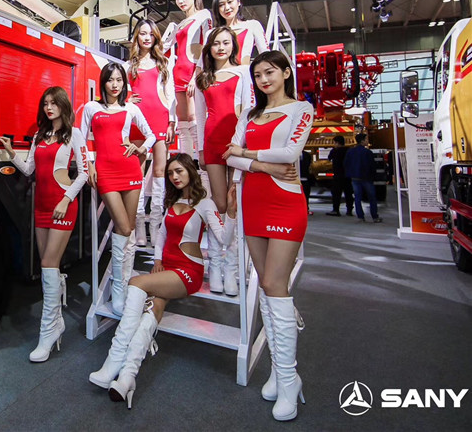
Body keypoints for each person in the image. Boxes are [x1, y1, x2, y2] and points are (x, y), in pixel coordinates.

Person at [89, 153, 236, 408]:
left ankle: (114, 360)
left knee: (136, 284)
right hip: (167, 268)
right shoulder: (172, 201)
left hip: (188, 271)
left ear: (190, 171)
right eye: (170, 173)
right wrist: (157, 259)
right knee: (153, 309)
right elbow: (163, 235)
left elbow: (224, 238)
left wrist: (231, 213)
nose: (174, 177)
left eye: (179, 171)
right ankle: (127, 377)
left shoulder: (205, 204)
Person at [223, 50, 313, 421]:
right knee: (265, 285)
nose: (264, 79)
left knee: (277, 285)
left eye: (270, 72)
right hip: (253, 203)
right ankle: (278, 371)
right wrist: (262, 165)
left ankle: (290, 379)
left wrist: (247, 154)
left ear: (286, 72)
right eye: (258, 75)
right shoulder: (248, 114)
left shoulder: (301, 109)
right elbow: (229, 156)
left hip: (286, 203)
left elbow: (290, 152)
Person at [0, 86, 89, 362]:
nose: (49, 107)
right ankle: (56, 322)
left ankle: (47, 331)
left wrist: (66, 200)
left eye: (54, 103)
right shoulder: (39, 135)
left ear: (63, 105)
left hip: (63, 205)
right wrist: (11, 152)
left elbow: (84, 174)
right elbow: (29, 170)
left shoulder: (74, 134)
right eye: (46, 103)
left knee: (49, 263)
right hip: (41, 208)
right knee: (47, 266)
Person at [82, 63, 156, 315]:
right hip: (106, 173)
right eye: (110, 80)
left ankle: (121, 287)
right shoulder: (91, 108)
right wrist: (89, 165)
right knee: (123, 227)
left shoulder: (131, 108)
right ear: (103, 82)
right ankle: (118, 285)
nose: (115, 85)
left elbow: (151, 135)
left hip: (130, 170)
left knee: (128, 228)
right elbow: (81, 138)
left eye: (119, 80)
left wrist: (140, 148)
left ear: (124, 83)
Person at [193, 25, 254, 295]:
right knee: (219, 204)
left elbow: (247, 110)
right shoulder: (203, 78)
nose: (221, 48)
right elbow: (200, 116)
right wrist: (200, 151)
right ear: (209, 47)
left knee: (234, 204)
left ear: (233, 46)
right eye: (216, 43)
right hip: (212, 142)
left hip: (236, 142)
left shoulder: (244, 72)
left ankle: (231, 269)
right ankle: (215, 265)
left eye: (226, 43)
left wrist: (242, 144)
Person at [126, 19, 176, 248]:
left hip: (160, 118)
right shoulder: (128, 65)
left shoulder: (164, 62)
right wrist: (128, 100)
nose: (147, 38)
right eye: (142, 33)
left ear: (156, 37)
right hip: (137, 121)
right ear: (137, 36)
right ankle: (138, 225)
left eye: (151, 34)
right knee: (137, 173)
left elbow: (170, 94)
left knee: (159, 172)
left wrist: (172, 122)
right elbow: (122, 92)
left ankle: (155, 226)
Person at [161, 0, 213, 159]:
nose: (180, 1)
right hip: (178, 73)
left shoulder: (204, 15)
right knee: (182, 123)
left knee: (194, 119)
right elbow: (165, 46)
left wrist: (196, 76)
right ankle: (186, 164)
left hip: (193, 72)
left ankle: (203, 165)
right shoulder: (180, 23)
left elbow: (206, 46)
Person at [212, 0, 268, 65]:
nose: (227, 8)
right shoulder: (212, 33)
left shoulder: (252, 25)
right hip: (219, 73)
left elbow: (266, 54)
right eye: (221, 5)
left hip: (244, 72)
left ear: (238, 2)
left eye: (230, 2)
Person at [344, 133, 382, 223]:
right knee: (372, 197)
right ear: (362, 141)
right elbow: (372, 165)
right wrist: (374, 176)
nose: (367, 141)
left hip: (355, 178)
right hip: (366, 178)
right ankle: (374, 216)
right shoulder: (368, 152)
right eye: (366, 139)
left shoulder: (350, 152)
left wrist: (350, 174)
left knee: (357, 197)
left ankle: (360, 216)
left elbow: (346, 163)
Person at [326, 135, 354, 216]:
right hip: (347, 175)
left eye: (334, 143)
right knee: (348, 193)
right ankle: (349, 210)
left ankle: (336, 210)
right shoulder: (348, 150)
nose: (334, 144)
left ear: (337, 143)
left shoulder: (335, 151)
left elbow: (329, 158)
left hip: (338, 175)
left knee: (336, 193)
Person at [300, 150, 315, 216]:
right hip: (303, 178)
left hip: (301, 178)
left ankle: (304, 208)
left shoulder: (306, 155)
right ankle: (304, 208)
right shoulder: (306, 155)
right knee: (305, 195)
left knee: (304, 195)